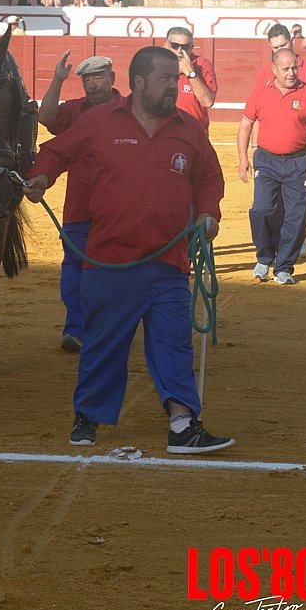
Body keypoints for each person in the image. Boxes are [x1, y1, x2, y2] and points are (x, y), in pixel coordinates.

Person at [23, 45, 232, 456]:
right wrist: (41, 177)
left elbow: (209, 178)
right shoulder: (100, 121)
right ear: (138, 82)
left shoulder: (188, 128)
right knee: (103, 343)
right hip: (110, 261)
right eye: (165, 78)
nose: (173, 85)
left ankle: (183, 424)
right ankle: (88, 415)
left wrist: (209, 214)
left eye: (175, 78)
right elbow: (55, 151)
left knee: (173, 342)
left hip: (169, 261)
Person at [36, 53, 123, 353]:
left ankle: (108, 327)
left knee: (115, 270)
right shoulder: (75, 110)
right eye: (87, 80)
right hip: (80, 206)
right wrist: (58, 79)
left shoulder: (131, 111)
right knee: (75, 266)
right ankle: (76, 328)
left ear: (112, 78)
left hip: (120, 209)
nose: (92, 84)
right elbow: (46, 117)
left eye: (97, 77)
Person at [237, 48, 306, 286]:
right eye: (286, 69)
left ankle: (284, 266)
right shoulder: (260, 93)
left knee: (298, 215)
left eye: (294, 68)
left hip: (298, 162)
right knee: (261, 210)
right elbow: (245, 126)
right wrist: (243, 159)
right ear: (274, 69)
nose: (291, 73)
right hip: (266, 161)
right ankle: (264, 257)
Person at [165, 26, 218, 133]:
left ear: (191, 47)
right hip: (165, 131)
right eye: (175, 46)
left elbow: (208, 102)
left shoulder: (202, 65)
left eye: (185, 47)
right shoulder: (157, 65)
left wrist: (190, 73)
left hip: (193, 132)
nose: (180, 50)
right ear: (167, 45)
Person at [254, 24, 306, 90]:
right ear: (271, 46)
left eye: (283, 45)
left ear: (292, 41)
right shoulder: (263, 73)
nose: (280, 50)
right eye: (276, 47)